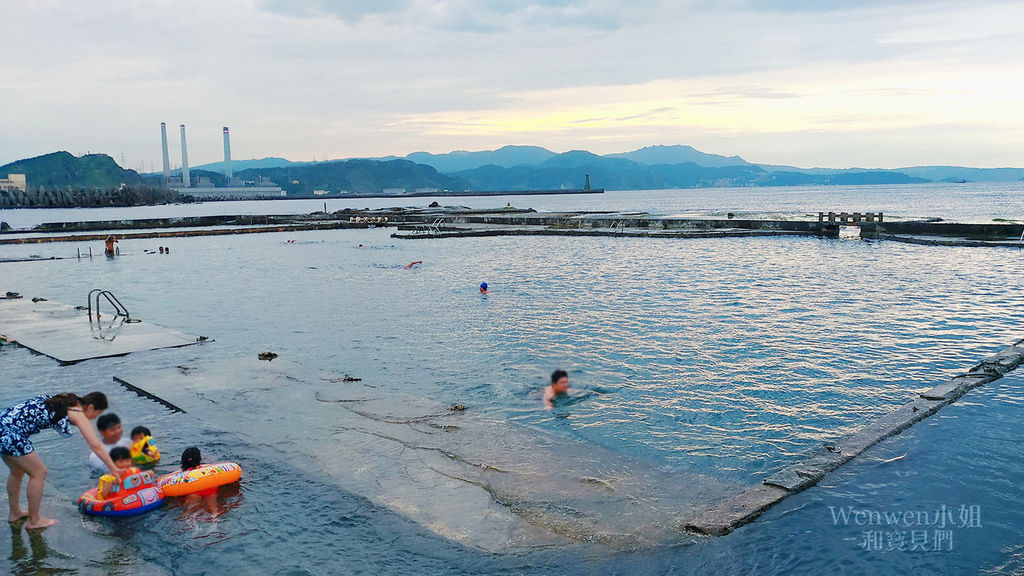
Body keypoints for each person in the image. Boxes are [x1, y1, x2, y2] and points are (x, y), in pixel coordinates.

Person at [1, 392, 124, 529]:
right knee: (39, 472)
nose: (94, 418)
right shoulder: (77, 413)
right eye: (97, 413)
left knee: (17, 471)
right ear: (90, 407)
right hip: (10, 434)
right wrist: (113, 468)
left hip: (3, 425)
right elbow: (95, 445)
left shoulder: (66, 400)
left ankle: (15, 513)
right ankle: (34, 521)